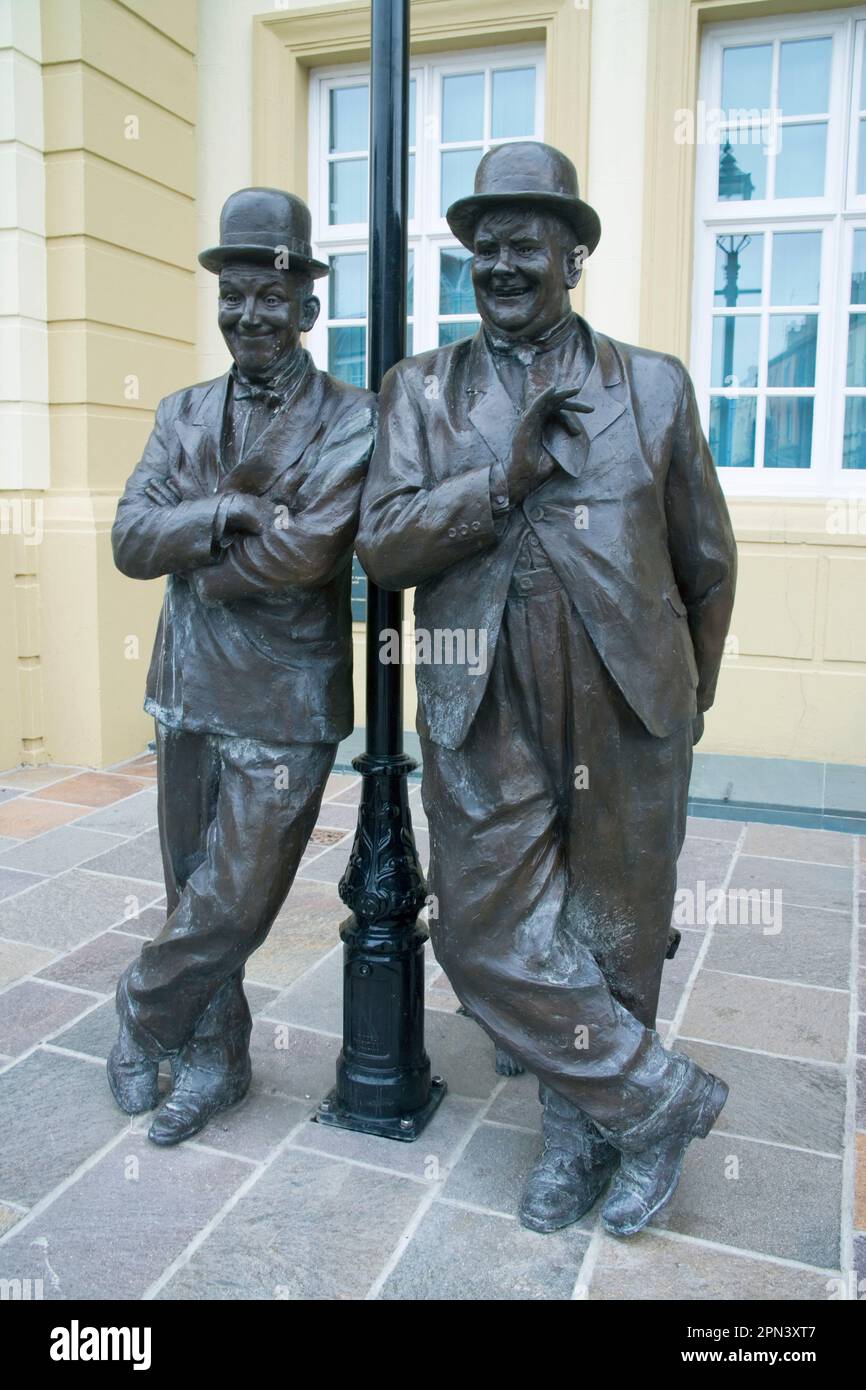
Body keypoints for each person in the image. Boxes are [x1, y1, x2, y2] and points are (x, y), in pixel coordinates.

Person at [356, 142, 737, 1236]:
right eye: (484, 247)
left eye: (525, 243)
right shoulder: (420, 391)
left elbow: (703, 560)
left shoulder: (651, 383)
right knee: (482, 934)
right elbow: (381, 547)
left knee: (613, 929)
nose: (501, 263)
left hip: (626, 691)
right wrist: (497, 480)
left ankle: (580, 1132)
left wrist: (684, 700)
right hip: (480, 692)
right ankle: (656, 1101)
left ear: (572, 255)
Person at [107, 187, 375, 1146]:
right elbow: (131, 540)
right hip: (185, 690)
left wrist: (207, 569)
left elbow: (305, 555)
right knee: (193, 890)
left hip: (286, 697)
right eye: (235, 295)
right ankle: (217, 1060)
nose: (250, 315)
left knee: (239, 896)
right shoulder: (181, 412)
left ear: (307, 307)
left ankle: (142, 1009)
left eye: (271, 296)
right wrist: (223, 514)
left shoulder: (352, 419)